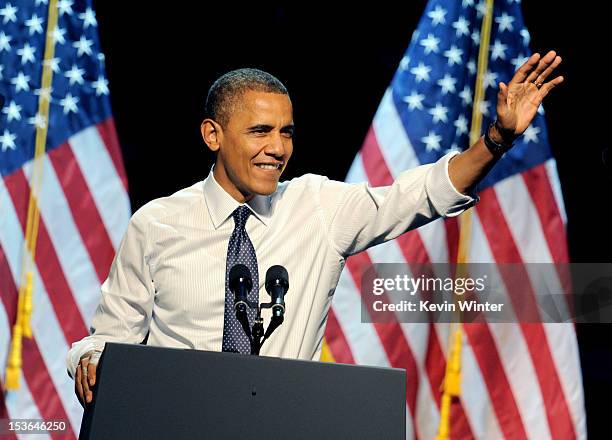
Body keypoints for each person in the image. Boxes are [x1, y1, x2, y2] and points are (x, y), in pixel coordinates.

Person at [68, 51, 563, 407]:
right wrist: (92, 361)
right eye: (259, 131)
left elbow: (418, 195)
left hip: (282, 423)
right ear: (212, 135)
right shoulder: (156, 223)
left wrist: (497, 138)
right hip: (174, 423)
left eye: (286, 132)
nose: (278, 148)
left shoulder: (317, 206)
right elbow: (110, 337)